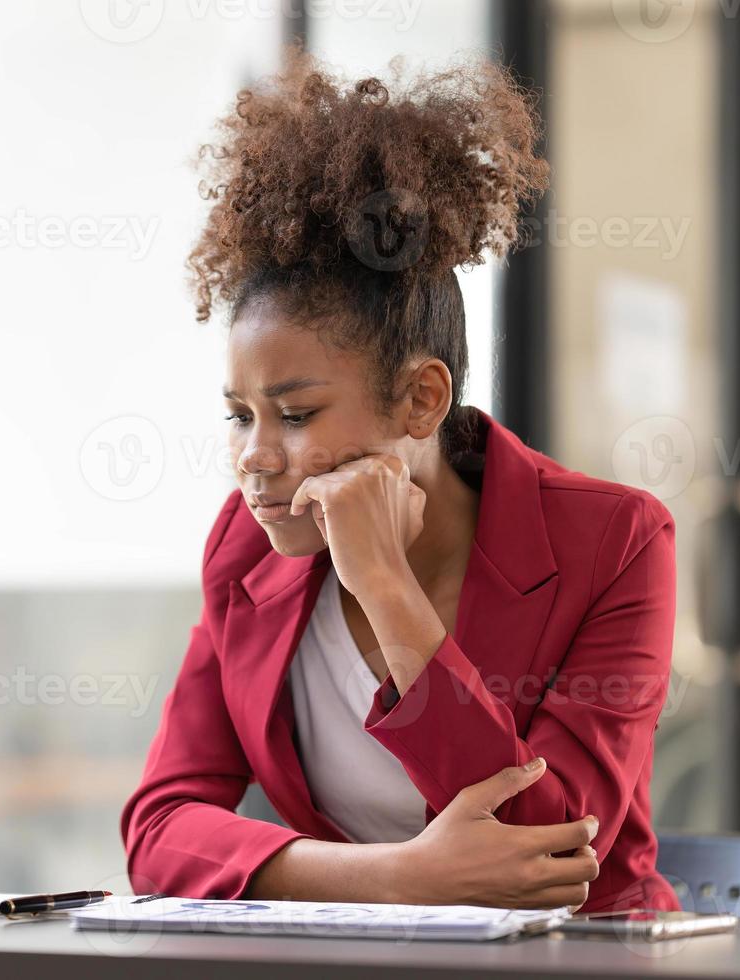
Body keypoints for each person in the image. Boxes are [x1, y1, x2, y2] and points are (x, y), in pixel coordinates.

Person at [120, 51, 678, 912]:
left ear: (421, 399)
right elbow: (161, 830)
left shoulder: (613, 543)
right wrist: (392, 879)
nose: (253, 458)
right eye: (238, 414)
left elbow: (552, 855)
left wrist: (386, 588)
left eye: (296, 414)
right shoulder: (245, 549)